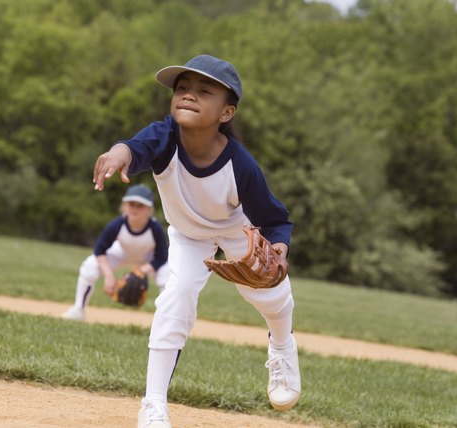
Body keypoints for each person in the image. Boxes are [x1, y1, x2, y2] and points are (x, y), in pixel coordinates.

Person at [92, 54, 300, 428]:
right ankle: (153, 405)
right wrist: (118, 153)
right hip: (189, 234)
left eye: (204, 91)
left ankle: (282, 345)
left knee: (266, 292)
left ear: (226, 113)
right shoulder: (164, 135)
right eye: (183, 88)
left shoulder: (241, 166)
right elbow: (135, 148)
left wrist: (279, 249)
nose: (188, 95)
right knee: (177, 294)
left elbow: (274, 219)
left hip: (238, 229)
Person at [62, 184, 170, 322]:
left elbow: (161, 257)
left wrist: (140, 272)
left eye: (140, 205)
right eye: (131, 204)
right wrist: (108, 276)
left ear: (149, 209)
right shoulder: (117, 224)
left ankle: (164, 322)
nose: (135, 209)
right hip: (122, 252)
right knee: (90, 266)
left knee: (167, 277)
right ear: (124, 205)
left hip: (147, 258)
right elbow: (100, 249)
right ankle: (78, 310)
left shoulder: (155, 228)